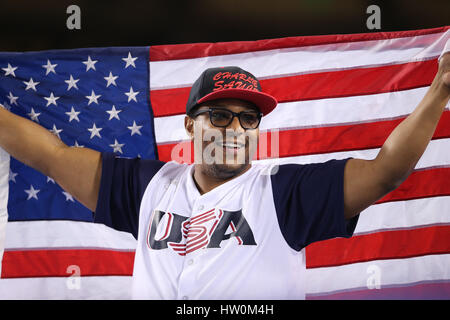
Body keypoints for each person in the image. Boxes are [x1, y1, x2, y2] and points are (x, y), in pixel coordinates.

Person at [0, 55, 449, 299]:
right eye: (220, 115)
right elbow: (51, 155)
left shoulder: (283, 194)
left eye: (248, 119)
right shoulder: (147, 186)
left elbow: (386, 171)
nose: (235, 130)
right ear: (192, 126)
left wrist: (439, 91)